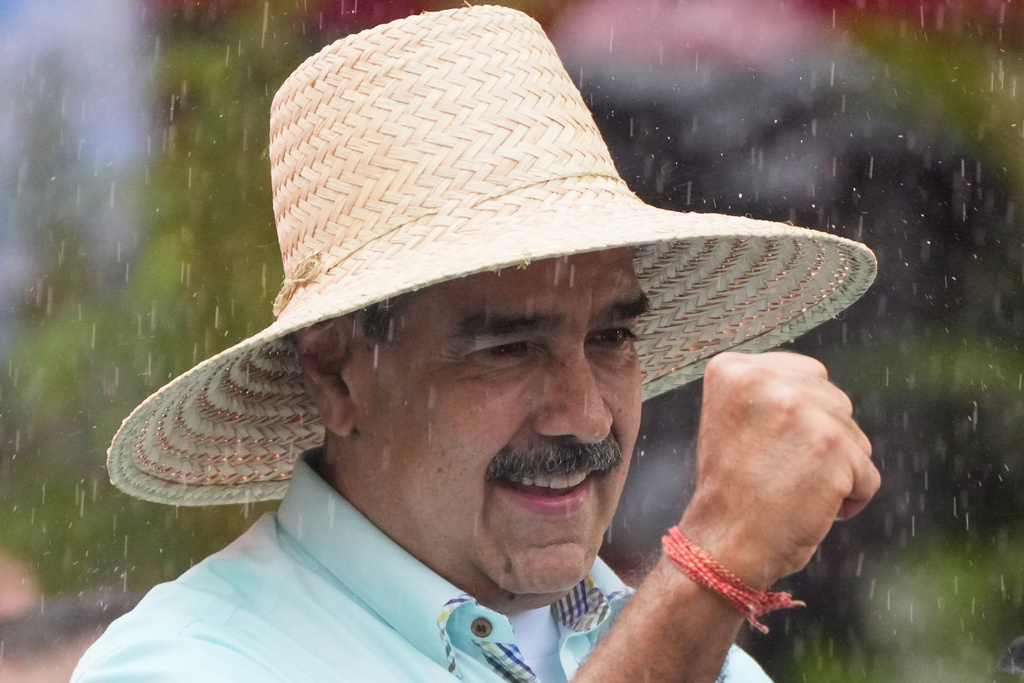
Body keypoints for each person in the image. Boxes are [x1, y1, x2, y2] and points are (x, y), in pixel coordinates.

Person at [72, 6, 880, 682]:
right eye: (508, 348)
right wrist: (710, 568)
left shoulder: (703, 657)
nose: (585, 415)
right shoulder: (190, 662)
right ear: (337, 374)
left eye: (611, 337)